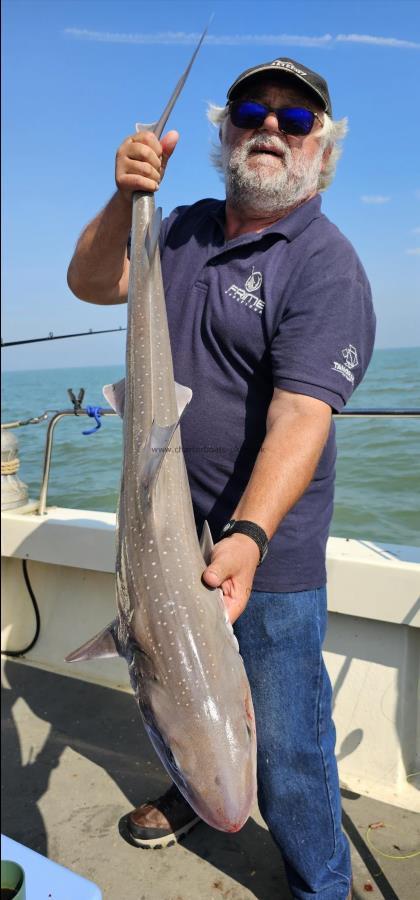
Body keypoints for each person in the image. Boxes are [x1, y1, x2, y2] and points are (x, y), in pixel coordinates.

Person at [68, 56, 375, 900]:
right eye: (252, 109)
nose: (271, 126)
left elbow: (302, 416)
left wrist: (247, 534)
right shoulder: (181, 225)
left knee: (287, 746)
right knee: (179, 701)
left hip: (263, 551)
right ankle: (198, 791)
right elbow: (93, 282)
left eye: (296, 118)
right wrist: (125, 196)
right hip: (156, 533)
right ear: (226, 130)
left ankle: (321, 882)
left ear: (324, 147)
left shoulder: (326, 264)